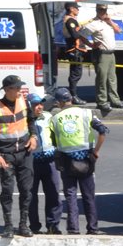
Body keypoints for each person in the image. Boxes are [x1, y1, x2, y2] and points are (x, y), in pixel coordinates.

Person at [48, 86, 108, 235]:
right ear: (71, 99)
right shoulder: (87, 113)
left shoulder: (54, 119)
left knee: (70, 196)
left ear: (58, 103)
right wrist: (96, 152)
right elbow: (102, 131)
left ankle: (73, 229)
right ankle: (92, 228)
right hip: (86, 160)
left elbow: (54, 142)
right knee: (89, 196)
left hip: (66, 162)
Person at [0, 75, 36, 237]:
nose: (19, 90)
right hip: (6, 155)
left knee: (26, 190)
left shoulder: (24, 102)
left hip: (25, 153)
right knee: (7, 190)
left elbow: (31, 121)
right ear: (8, 90)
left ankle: (23, 225)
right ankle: (8, 226)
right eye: (16, 88)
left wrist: (33, 137)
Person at [27, 93, 62, 235]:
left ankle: (53, 225)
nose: (39, 107)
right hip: (32, 162)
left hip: (49, 160)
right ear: (29, 106)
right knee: (30, 196)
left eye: (40, 104)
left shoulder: (48, 117)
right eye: (35, 105)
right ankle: (34, 226)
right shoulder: (24, 120)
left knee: (53, 193)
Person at [84, 5, 123, 114]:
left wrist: (110, 21)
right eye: (101, 10)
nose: (103, 12)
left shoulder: (108, 22)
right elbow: (81, 35)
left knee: (112, 78)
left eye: (105, 10)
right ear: (97, 10)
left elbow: (119, 31)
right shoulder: (93, 24)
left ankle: (115, 100)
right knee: (102, 78)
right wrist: (91, 45)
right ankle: (102, 102)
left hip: (111, 54)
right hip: (101, 53)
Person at [62, 2, 88, 100]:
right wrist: (81, 29)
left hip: (75, 49)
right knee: (75, 74)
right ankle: (73, 96)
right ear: (71, 9)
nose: (78, 10)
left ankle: (73, 95)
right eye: (76, 8)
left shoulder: (70, 20)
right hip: (74, 49)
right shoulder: (70, 20)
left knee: (75, 73)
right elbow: (75, 35)